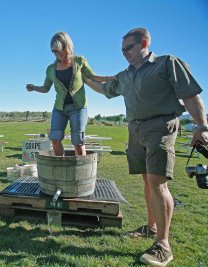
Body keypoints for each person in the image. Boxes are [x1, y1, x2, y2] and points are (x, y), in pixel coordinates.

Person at [85, 27, 208, 266]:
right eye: (121, 50)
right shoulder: (126, 75)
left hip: (161, 126)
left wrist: (202, 127)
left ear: (143, 43)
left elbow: (191, 95)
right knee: (146, 181)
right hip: (135, 129)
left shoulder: (166, 63)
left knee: (157, 182)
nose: (124, 53)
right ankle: (151, 228)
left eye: (127, 48)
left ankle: (163, 245)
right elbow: (104, 89)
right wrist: (83, 77)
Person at [26, 32, 115, 156]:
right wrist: (34, 87)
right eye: (54, 51)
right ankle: (61, 167)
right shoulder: (50, 69)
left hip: (78, 108)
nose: (58, 54)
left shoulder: (79, 61)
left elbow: (92, 76)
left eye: (59, 50)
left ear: (67, 46)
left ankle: (82, 171)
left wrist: (108, 78)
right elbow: (46, 88)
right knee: (55, 139)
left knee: (78, 142)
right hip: (59, 109)